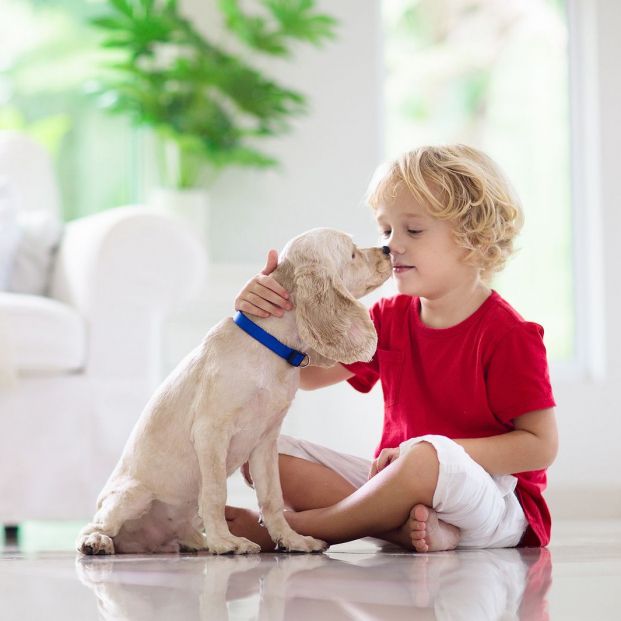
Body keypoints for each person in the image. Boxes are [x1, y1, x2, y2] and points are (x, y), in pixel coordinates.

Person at [226, 144, 558, 553]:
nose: (390, 245)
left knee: (425, 455)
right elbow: (306, 377)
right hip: (403, 480)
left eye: (412, 230)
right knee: (266, 451)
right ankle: (402, 529)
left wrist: (430, 454)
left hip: (494, 503)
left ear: (474, 238)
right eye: (386, 230)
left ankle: (297, 528)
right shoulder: (388, 318)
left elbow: (540, 446)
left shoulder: (509, 335)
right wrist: (272, 313)